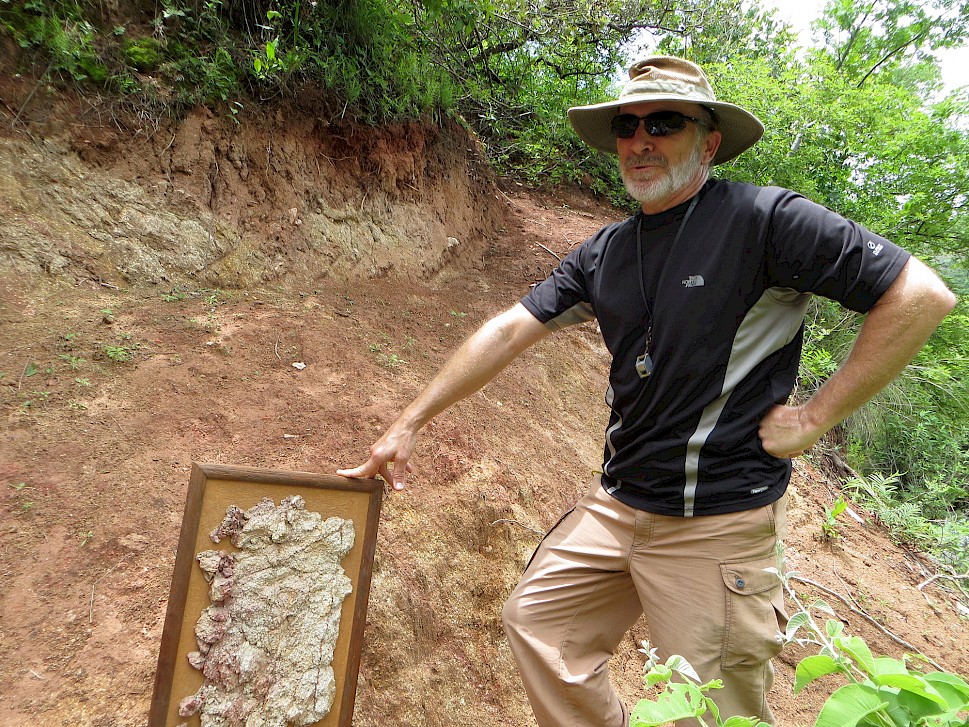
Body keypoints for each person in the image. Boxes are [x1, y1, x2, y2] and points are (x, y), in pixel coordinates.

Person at [338, 56, 957, 726]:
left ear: (708, 141)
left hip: (715, 522)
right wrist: (410, 420)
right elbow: (509, 329)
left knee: (711, 714)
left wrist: (815, 415)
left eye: (663, 122)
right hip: (618, 505)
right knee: (539, 625)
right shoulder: (605, 251)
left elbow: (919, 294)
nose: (639, 140)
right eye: (626, 125)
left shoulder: (765, 220)